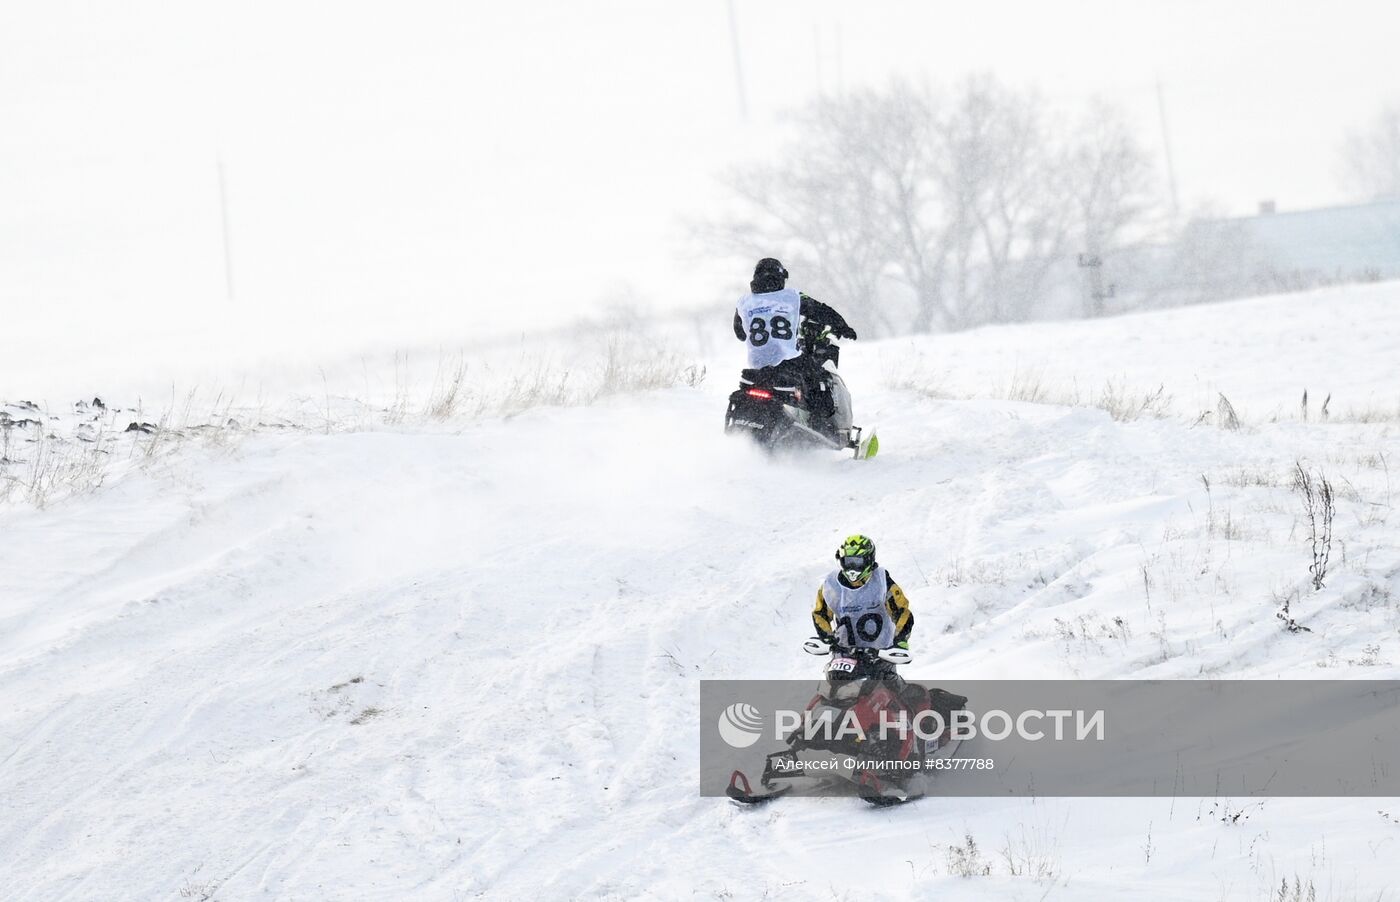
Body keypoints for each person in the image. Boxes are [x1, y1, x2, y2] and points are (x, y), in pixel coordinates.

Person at [732, 258, 857, 416]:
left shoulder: (743, 302)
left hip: (757, 365)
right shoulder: (793, 297)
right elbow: (821, 311)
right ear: (780, 278)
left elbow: (740, 334)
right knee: (821, 381)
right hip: (789, 363)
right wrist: (842, 326)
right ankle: (823, 427)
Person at [811, 534, 913, 660]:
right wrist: (827, 638)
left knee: (885, 680)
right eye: (848, 562)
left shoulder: (882, 581)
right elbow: (820, 613)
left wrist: (900, 641)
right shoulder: (831, 585)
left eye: (857, 562)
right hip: (843, 656)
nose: (852, 568)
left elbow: (901, 611)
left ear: (869, 559)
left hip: (879, 657)